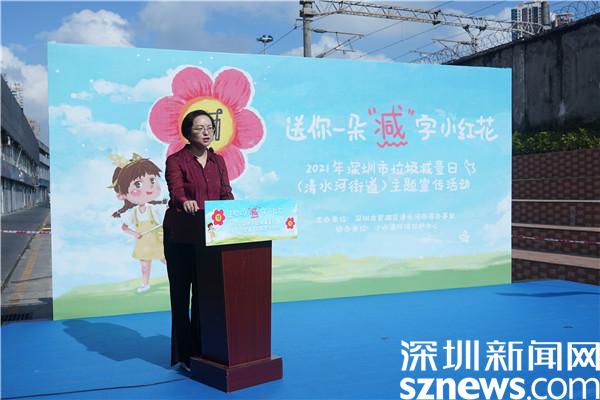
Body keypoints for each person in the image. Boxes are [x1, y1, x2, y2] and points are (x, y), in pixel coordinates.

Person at [162, 109, 234, 371]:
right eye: (200, 128)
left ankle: (203, 350)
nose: (206, 132)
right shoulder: (176, 160)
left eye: (210, 128)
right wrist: (185, 202)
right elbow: (176, 191)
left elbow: (226, 193)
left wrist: (234, 211)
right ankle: (183, 355)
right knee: (181, 295)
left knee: (205, 296)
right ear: (187, 132)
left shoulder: (218, 161)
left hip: (210, 236)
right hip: (181, 234)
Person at [110, 154, 167, 293]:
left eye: (152, 180)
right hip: (143, 243)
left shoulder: (154, 209)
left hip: (158, 241)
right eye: (138, 184)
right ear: (122, 194)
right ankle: (145, 284)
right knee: (145, 265)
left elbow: (165, 218)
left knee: (167, 260)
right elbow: (124, 227)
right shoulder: (133, 213)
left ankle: (177, 279)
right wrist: (135, 234)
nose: (149, 187)